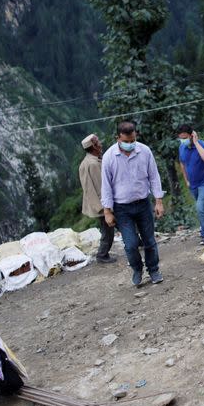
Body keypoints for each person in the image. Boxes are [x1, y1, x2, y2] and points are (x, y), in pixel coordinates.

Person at [101, 120, 165, 287]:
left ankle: (154, 270)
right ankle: (137, 269)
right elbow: (106, 186)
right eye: (126, 142)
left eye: (132, 141)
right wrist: (107, 211)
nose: (130, 144)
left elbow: (154, 176)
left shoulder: (144, 151)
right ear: (118, 138)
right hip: (122, 208)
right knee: (130, 244)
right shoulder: (109, 157)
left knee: (149, 240)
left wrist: (158, 201)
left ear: (135, 135)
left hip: (143, 203)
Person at [79, 133, 116, 264]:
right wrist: (104, 207)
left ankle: (136, 242)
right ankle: (102, 254)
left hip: (103, 203)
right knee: (108, 229)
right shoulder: (92, 164)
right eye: (98, 142)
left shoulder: (92, 161)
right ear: (94, 146)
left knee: (112, 227)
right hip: (102, 203)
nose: (100, 144)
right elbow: (96, 187)